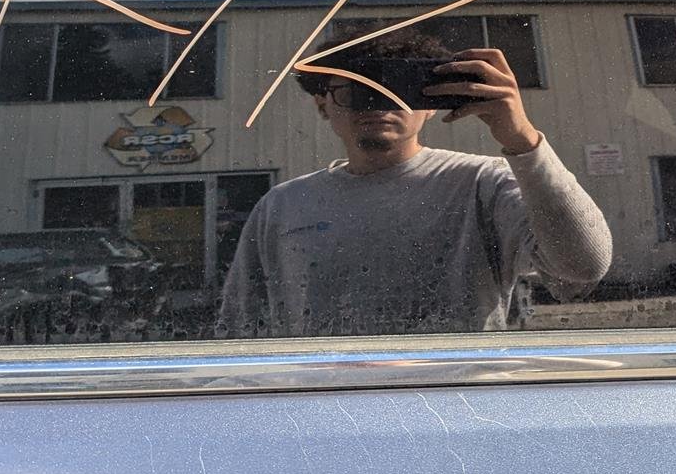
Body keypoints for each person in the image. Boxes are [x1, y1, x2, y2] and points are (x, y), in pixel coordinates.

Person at [217, 28, 612, 338]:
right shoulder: (282, 205)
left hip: (456, 402)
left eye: (397, 88)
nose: (378, 103)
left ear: (430, 104)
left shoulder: (483, 181)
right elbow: (239, 326)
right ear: (323, 105)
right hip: (321, 403)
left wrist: (522, 138)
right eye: (357, 90)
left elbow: (583, 267)